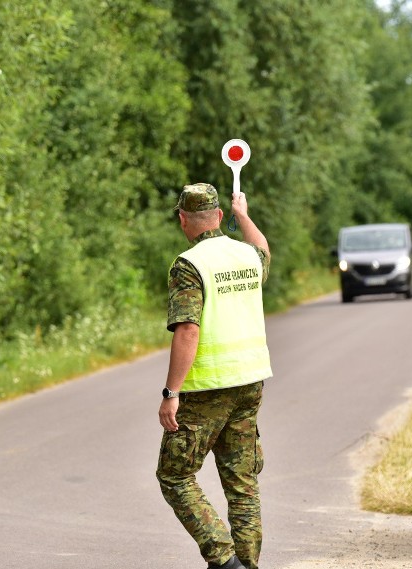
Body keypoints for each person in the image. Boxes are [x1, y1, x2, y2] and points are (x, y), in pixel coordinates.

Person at [156, 183, 272, 569]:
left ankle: (223, 558)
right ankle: (247, 564)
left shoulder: (189, 265)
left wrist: (171, 391)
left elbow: (188, 329)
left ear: (183, 220)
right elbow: (265, 252)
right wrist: (245, 214)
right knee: (241, 483)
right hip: (250, 382)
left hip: (208, 389)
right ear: (220, 216)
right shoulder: (246, 257)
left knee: (174, 475)